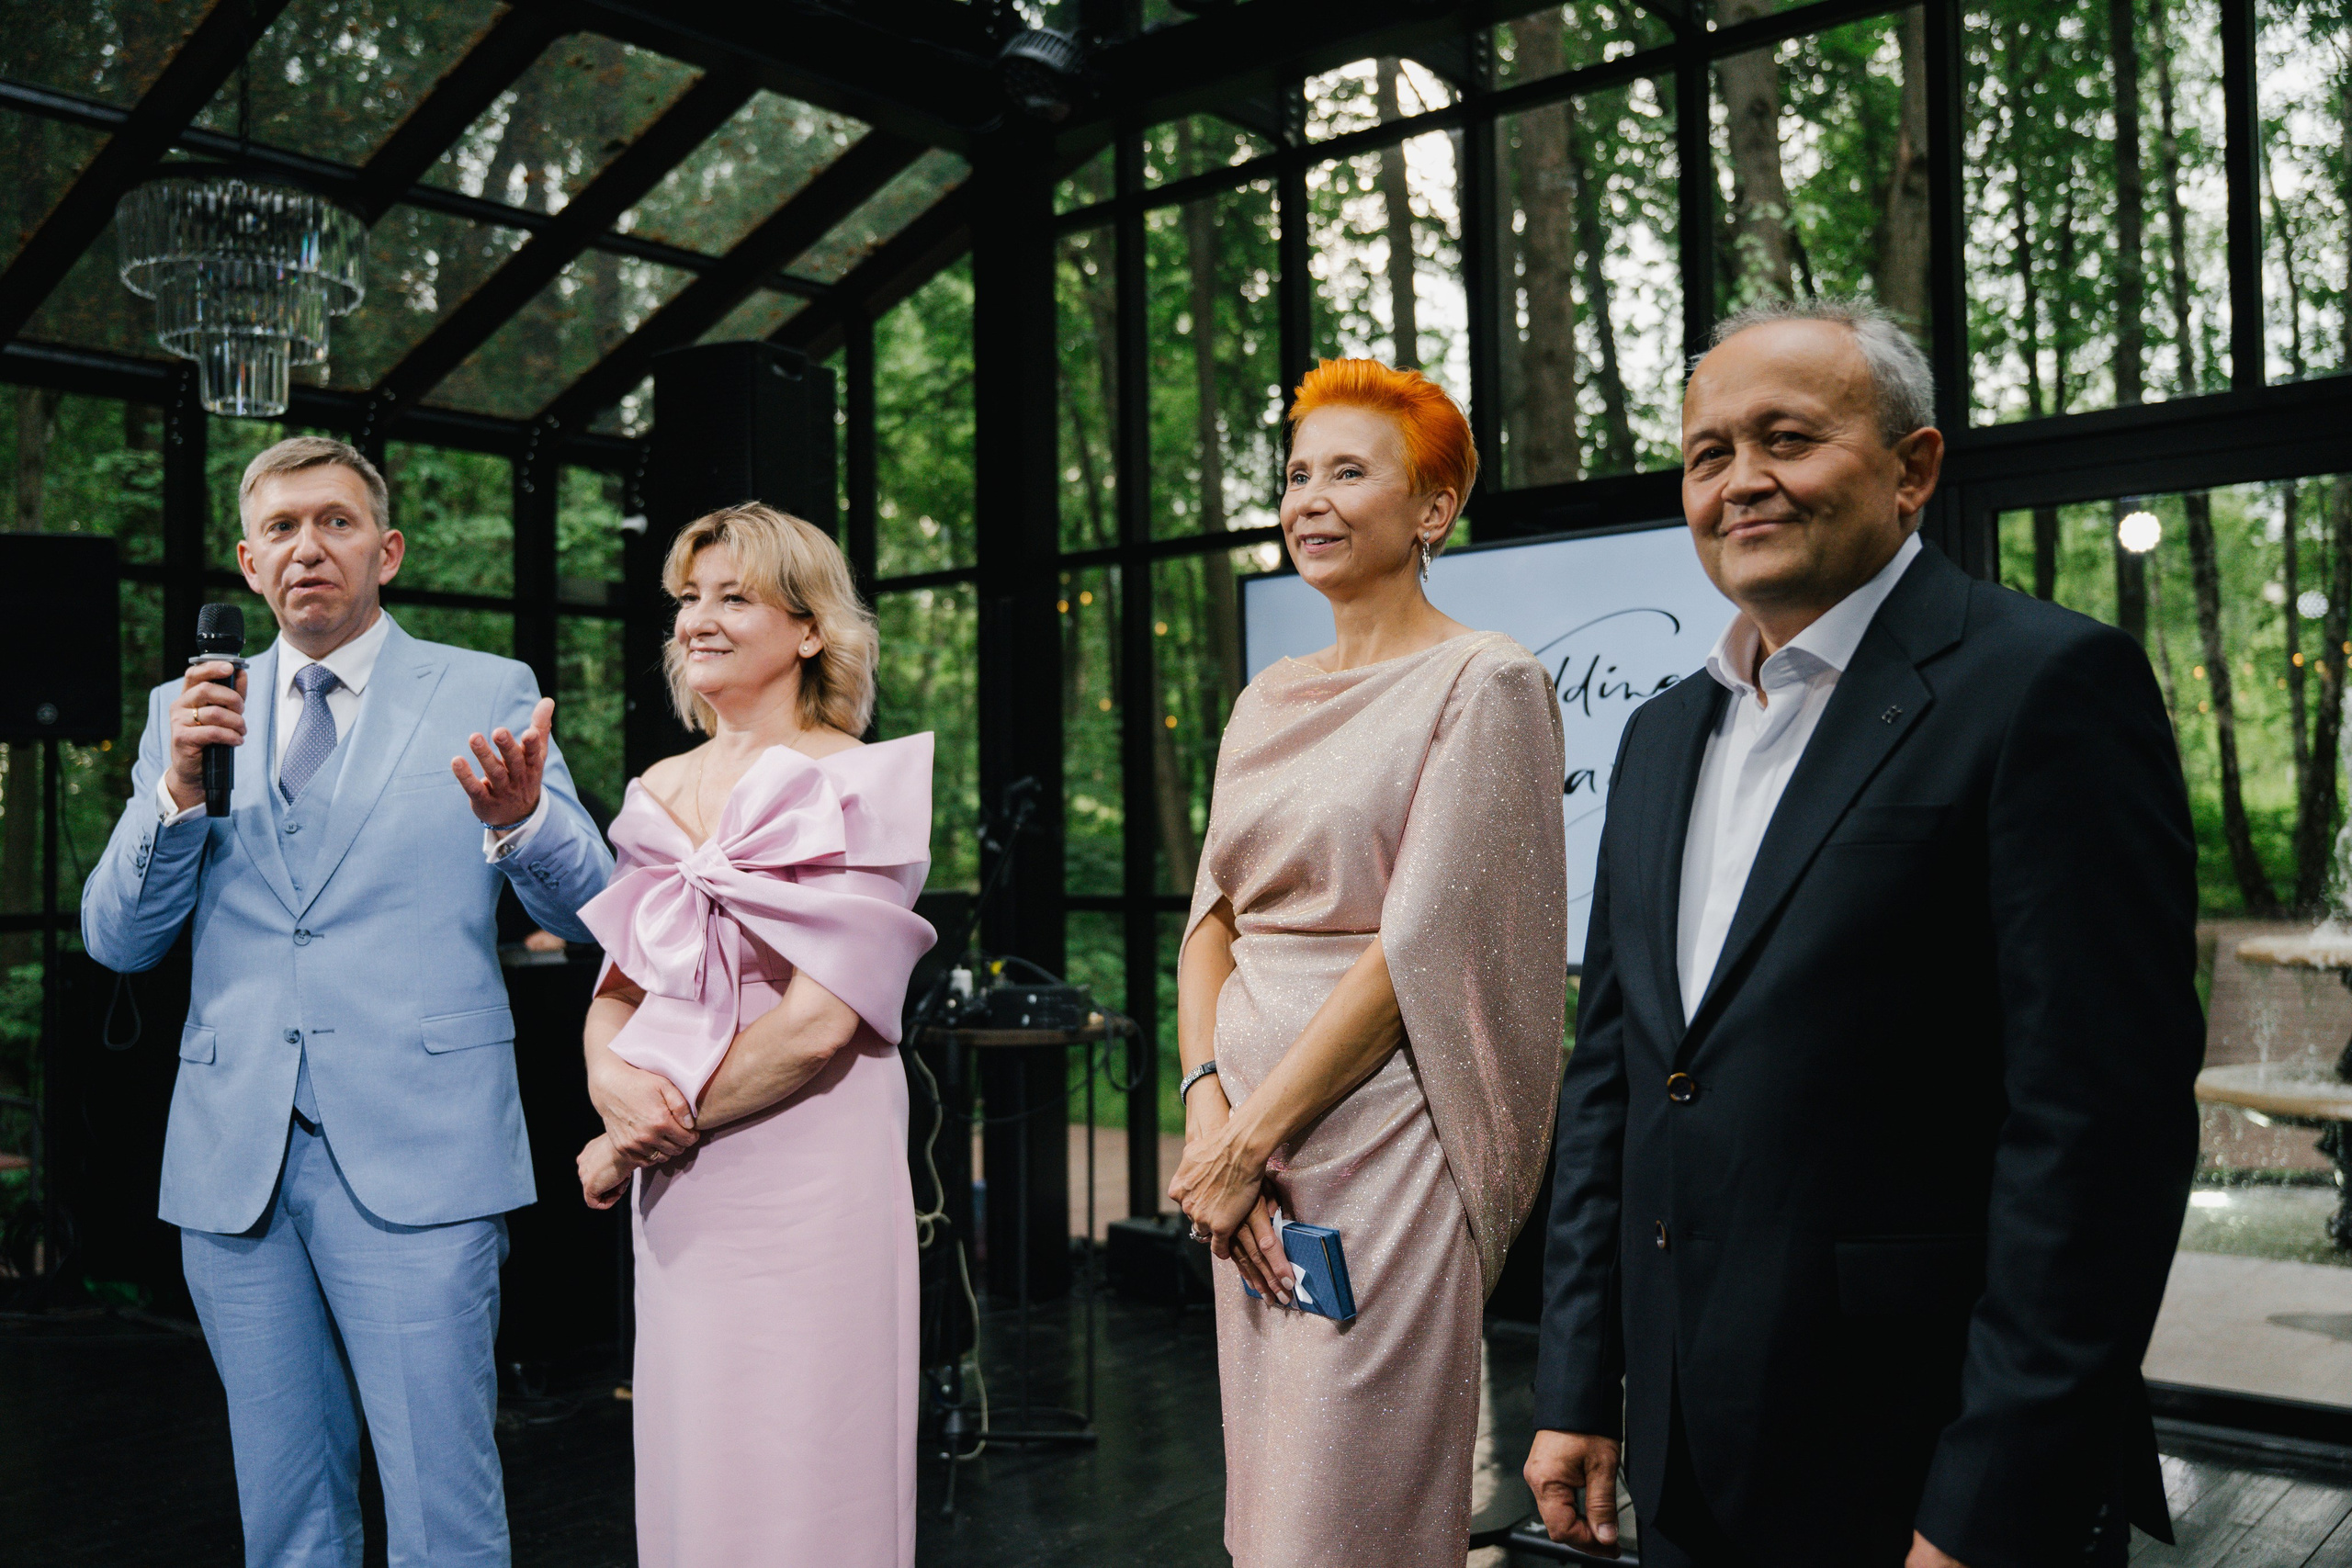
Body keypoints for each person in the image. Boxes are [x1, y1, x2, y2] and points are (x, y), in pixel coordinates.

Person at [1523, 299, 2204, 1568]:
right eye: (1709, 451)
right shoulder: (1659, 734)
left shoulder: (2047, 687)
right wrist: (1579, 1381)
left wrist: (1987, 1503)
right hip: (1684, 1458)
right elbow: (1616, 1080)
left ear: (1914, 469)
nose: (1743, 480)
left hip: (1922, 1470)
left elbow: (2099, 1134)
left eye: (1788, 436)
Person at [81, 436, 615, 1567]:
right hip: (236, 1167)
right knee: (284, 1516)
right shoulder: (189, 710)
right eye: (280, 528)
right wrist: (175, 793)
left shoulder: (485, 688)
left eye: (333, 521)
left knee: (442, 1511)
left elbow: (593, 913)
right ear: (247, 561)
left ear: (388, 551)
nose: (306, 547)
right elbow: (119, 939)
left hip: (423, 1154)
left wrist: (524, 824)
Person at [1169, 359, 1567, 1568]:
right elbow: (1210, 920)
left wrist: (1248, 1142)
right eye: (1298, 474)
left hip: (1382, 1146)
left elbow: (1424, 943)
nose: (1311, 499)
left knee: (1343, 1509)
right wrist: (1208, 1116)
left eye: (1350, 471)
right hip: (1242, 1159)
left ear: (1432, 509)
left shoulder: (1485, 679)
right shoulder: (1267, 693)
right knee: (1270, 1501)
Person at [571, 503, 936, 1568]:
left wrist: (640, 1134)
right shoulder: (653, 793)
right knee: (696, 1445)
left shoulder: (864, 780)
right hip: (683, 1177)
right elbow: (615, 989)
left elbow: (820, 1025)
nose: (700, 619)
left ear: (810, 627)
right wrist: (608, 1084)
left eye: (734, 596)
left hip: (807, 1163)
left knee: (811, 1447)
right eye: (689, 598)